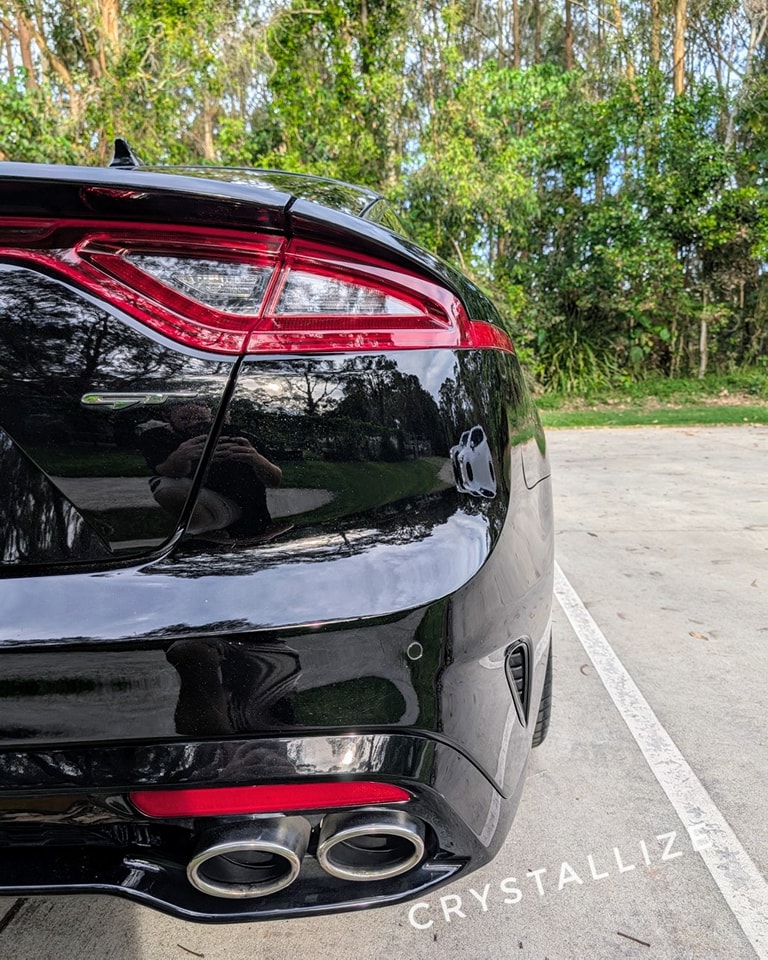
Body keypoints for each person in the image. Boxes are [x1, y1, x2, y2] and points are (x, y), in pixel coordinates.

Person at [138, 401, 283, 539]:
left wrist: (256, 459)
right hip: (209, 503)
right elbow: (165, 472)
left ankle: (207, 534)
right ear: (168, 418)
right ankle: (205, 533)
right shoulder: (159, 437)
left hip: (246, 509)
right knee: (162, 483)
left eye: (201, 419)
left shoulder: (242, 439)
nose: (194, 424)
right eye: (184, 419)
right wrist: (181, 456)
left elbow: (275, 480)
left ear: (213, 418)